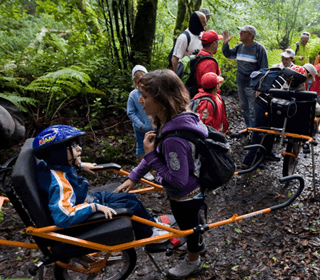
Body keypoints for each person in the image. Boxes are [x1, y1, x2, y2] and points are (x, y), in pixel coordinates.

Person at [115, 70, 207, 279]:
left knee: (188, 227)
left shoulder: (173, 138)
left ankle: (194, 259)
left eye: (145, 97)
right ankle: (197, 244)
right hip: (188, 190)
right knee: (192, 222)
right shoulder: (172, 120)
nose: (140, 100)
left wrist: (150, 157)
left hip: (185, 194)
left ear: (163, 99)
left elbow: (177, 179)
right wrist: (134, 176)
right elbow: (157, 153)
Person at [33, 125, 167, 240]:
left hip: (83, 200)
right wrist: (94, 207)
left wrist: (79, 165)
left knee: (131, 197)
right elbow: (63, 217)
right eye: (73, 146)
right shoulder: (60, 183)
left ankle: (151, 224)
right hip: (84, 213)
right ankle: (150, 235)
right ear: (58, 153)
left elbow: (57, 165)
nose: (79, 148)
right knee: (130, 204)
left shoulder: (52, 165)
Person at [222, 25, 269, 128]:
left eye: (243, 32)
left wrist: (260, 88)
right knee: (244, 107)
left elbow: (264, 69)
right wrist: (225, 44)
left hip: (252, 86)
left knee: (253, 109)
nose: (240, 34)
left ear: (250, 35)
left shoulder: (259, 49)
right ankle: (249, 128)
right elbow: (228, 54)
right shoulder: (239, 47)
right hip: (241, 84)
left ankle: (254, 132)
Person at [127, 65, 155, 181]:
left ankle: (153, 166)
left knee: (155, 145)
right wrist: (141, 125)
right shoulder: (133, 95)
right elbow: (131, 112)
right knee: (141, 147)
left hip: (154, 126)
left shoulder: (152, 91)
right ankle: (143, 170)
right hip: (141, 128)